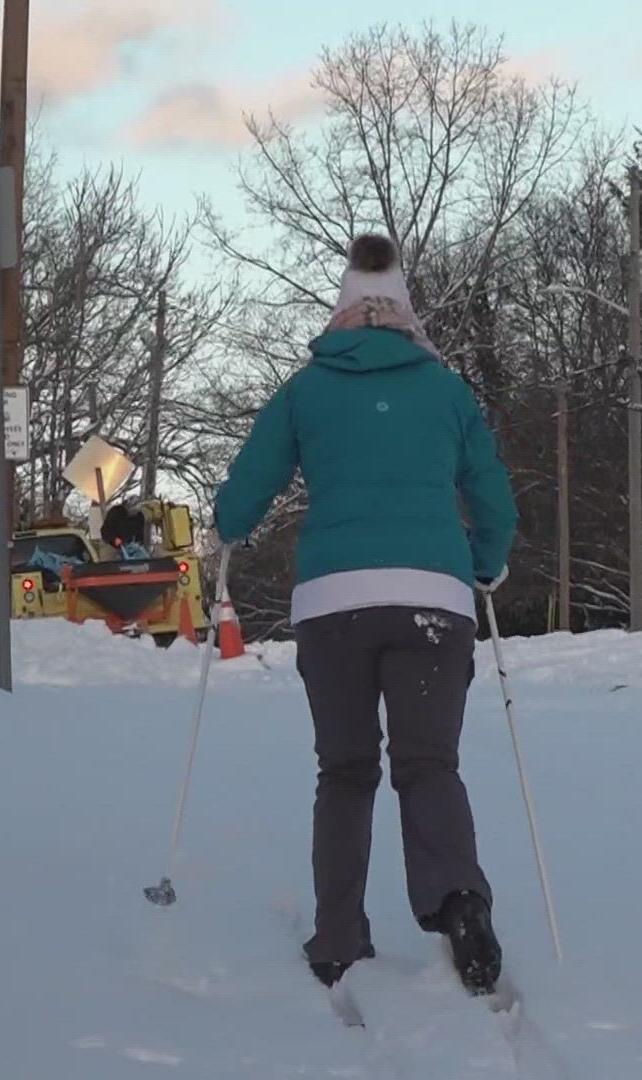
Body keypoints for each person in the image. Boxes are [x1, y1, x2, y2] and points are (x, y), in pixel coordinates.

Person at [214, 233, 518, 992]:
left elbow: (245, 490)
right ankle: (459, 900)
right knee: (429, 765)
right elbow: (492, 496)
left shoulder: (307, 390)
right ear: (408, 317)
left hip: (335, 605)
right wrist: (482, 565)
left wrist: (227, 529)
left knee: (346, 771)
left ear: (340, 312)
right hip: (434, 604)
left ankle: (339, 936)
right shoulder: (448, 392)